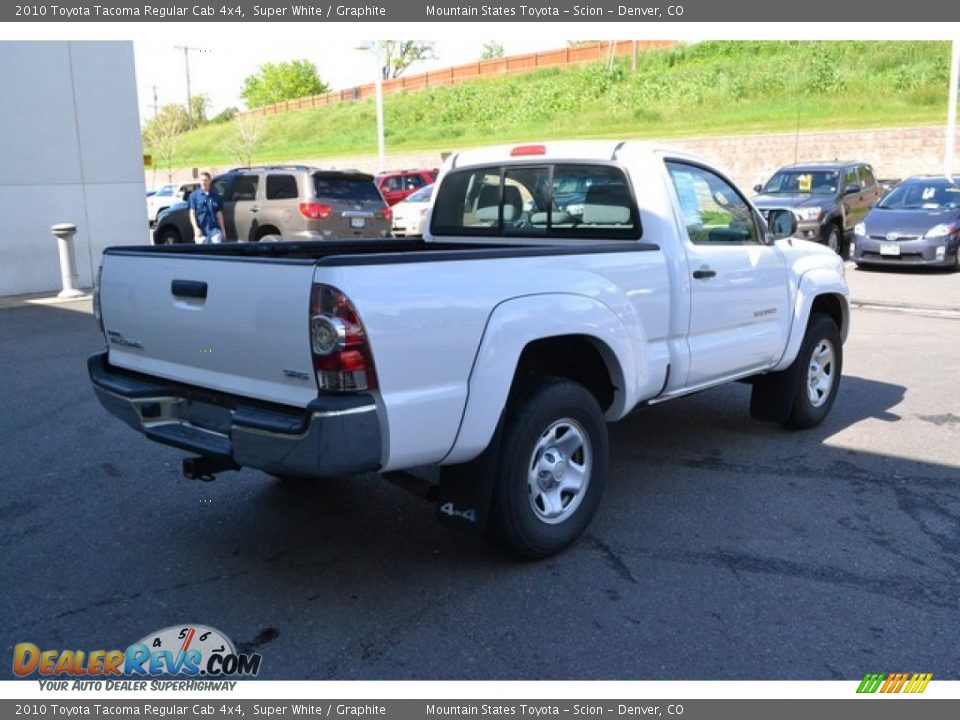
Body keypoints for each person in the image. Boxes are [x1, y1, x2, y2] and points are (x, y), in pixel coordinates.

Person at [188, 172, 228, 244]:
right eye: (202, 180)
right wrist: (196, 228)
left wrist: (223, 230)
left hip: (215, 231)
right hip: (201, 232)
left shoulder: (216, 196)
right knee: (202, 254)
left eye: (206, 180)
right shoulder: (193, 196)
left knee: (215, 253)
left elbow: (219, 214)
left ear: (210, 181)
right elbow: (192, 214)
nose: (204, 182)